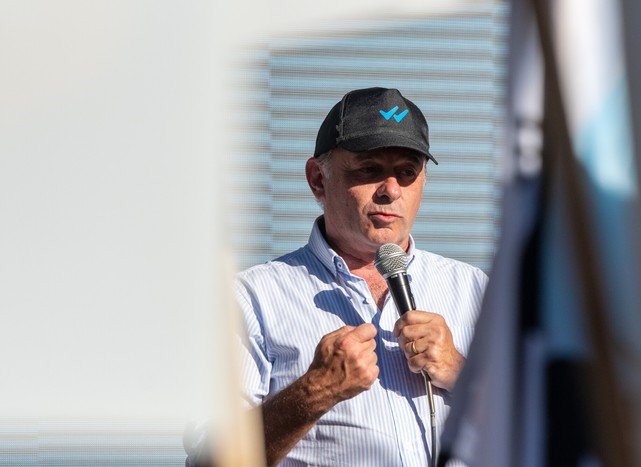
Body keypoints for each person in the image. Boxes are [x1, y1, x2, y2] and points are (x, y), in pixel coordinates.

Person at [186, 87, 488, 466]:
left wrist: (460, 372)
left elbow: (545, 430)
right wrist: (315, 391)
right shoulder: (250, 298)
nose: (391, 190)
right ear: (317, 179)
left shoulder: (476, 290)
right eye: (369, 169)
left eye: (407, 173)